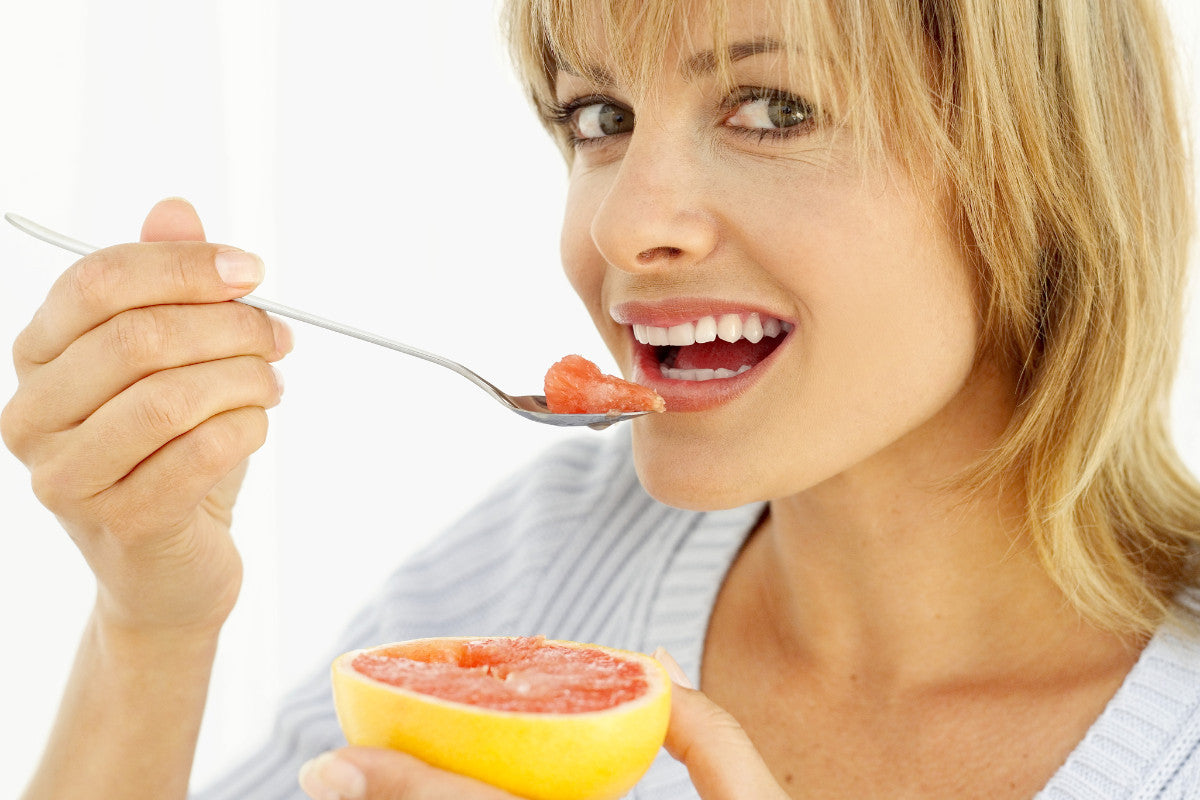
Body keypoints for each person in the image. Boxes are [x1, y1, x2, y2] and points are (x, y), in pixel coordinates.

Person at [6, 0, 1200, 797]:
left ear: (1039, 168)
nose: (625, 225)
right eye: (600, 117)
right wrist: (151, 622)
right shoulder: (548, 556)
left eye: (773, 109)